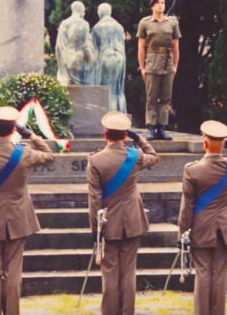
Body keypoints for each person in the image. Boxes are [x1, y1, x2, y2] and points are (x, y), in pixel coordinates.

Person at [0, 106, 55, 315]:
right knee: (13, 272)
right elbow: (49, 155)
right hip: (18, 220)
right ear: (14, 130)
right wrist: (32, 135)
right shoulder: (24, 153)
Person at [87, 111, 159, 315]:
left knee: (109, 272)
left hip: (108, 222)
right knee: (128, 271)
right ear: (125, 135)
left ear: (105, 134)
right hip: (132, 220)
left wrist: (95, 230)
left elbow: (94, 198)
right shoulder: (135, 157)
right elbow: (154, 156)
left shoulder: (96, 159)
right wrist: (139, 138)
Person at [178, 120, 227, 315]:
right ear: (222, 143)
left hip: (201, 228)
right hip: (226, 229)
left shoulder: (192, 169)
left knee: (202, 274)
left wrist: (183, 232)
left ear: (204, 142)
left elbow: (187, 206)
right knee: (220, 274)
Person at [137, 0, 181, 141]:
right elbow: (141, 47)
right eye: (158, 3)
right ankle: (151, 127)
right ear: (152, 6)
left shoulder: (172, 23)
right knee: (151, 96)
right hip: (152, 61)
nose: (161, 5)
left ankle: (162, 127)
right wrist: (142, 67)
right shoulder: (145, 22)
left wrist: (175, 65)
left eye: (163, 2)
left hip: (167, 62)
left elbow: (175, 46)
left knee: (165, 97)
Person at [92, 3, 127, 112]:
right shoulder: (119, 27)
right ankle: (120, 113)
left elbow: (93, 50)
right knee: (118, 90)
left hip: (106, 58)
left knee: (106, 89)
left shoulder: (97, 28)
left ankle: (106, 115)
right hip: (120, 58)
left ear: (100, 13)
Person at [56, 1, 97, 85]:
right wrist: (91, 60)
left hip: (68, 58)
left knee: (68, 89)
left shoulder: (65, 23)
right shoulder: (84, 24)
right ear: (81, 10)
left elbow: (59, 46)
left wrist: (61, 63)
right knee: (82, 90)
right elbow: (86, 45)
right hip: (80, 59)